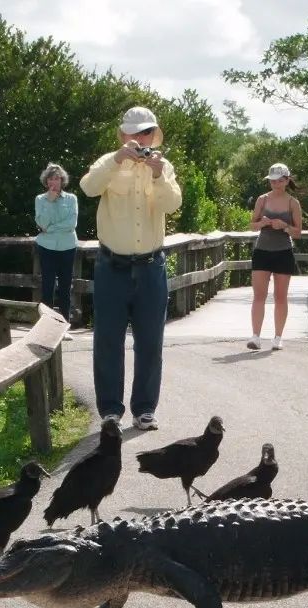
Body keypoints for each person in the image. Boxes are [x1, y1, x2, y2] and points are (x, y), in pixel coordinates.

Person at [79, 107, 182, 431]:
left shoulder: (163, 167)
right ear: (123, 135)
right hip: (112, 266)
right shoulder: (108, 162)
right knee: (108, 341)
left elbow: (173, 203)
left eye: (146, 133)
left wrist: (157, 174)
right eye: (134, 133)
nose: (140, 139)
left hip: (151, 266)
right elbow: (88, 187)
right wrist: (116, 160)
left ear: (154, 136)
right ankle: (110, 410)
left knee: (151, 342)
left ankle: (145, 409)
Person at [246, 163, 303, 351]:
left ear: (287, 181)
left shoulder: (292, 203)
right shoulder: (262, 200)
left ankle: (278, 337)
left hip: (283, 252)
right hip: (262, 250)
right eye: (272, 181)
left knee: (280, 297)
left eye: (279, 180)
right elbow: (252, 225)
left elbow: (298, 233)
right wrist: (262, 223)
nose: (275, 184)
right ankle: (255, 336)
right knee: (259, 296)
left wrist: (284, 226)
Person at [34, 163, 79, 339]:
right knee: (47, 287)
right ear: (46, 181)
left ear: (62, 180)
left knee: (65, 288)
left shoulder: (71, 199)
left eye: (57, 178)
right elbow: (41, 223)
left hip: (67, 247)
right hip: (47, 247)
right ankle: (46, 328)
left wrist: (50, 228)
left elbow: (71, 224)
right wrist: (50, 203)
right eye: (51, 178)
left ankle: (63, 327)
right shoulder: (40, 199)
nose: (54, 181)